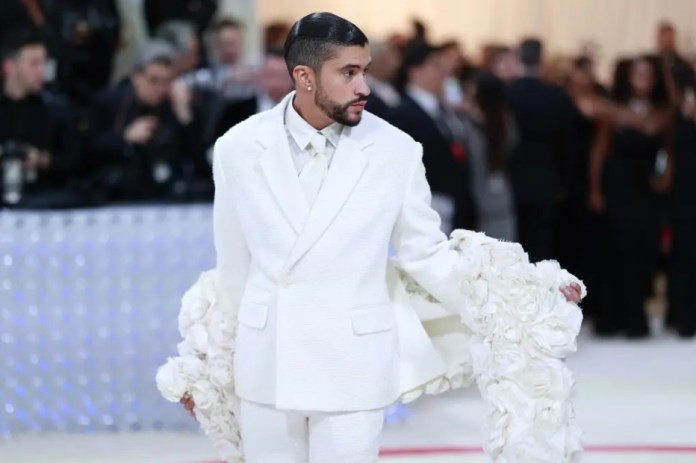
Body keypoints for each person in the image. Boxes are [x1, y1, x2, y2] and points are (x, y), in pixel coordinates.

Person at [179, 12, 582, 462]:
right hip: (265, 361)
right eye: (349, 73)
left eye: (365, 71)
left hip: (352, 361)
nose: (364, 87)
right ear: (304, 77)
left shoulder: (396, 150)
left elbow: (427, 255)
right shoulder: (237, 146)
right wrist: (210, 370)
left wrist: (528, 290)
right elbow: (232, 268)